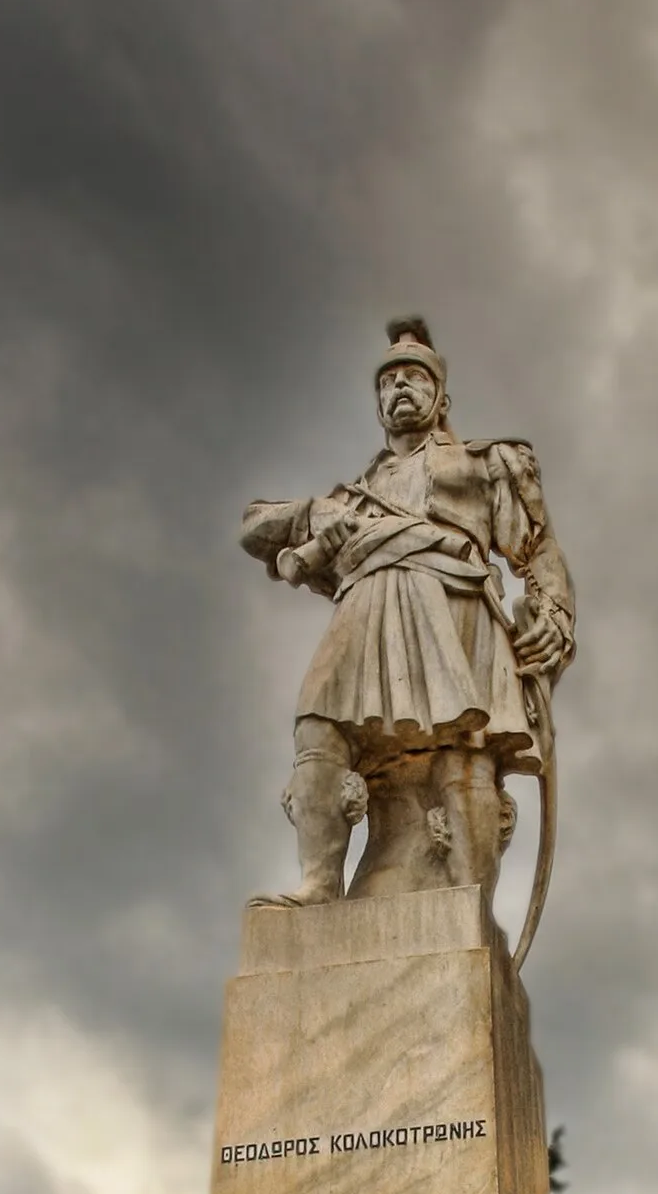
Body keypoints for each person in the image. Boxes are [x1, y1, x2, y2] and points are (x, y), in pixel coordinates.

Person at [240, 318, 575, 904]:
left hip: (455, 599)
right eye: (388, 380)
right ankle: (320, 883)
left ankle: (466, 902)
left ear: (441, 397)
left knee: (464, 748)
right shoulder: (353, 495)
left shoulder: (481, 463)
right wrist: (313, 518)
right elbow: (253, 526)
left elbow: (537, 548)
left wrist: (553, 612)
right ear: (377, 405)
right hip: (369, 602)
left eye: (414, 377)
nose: (399, 387)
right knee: (317, 722)